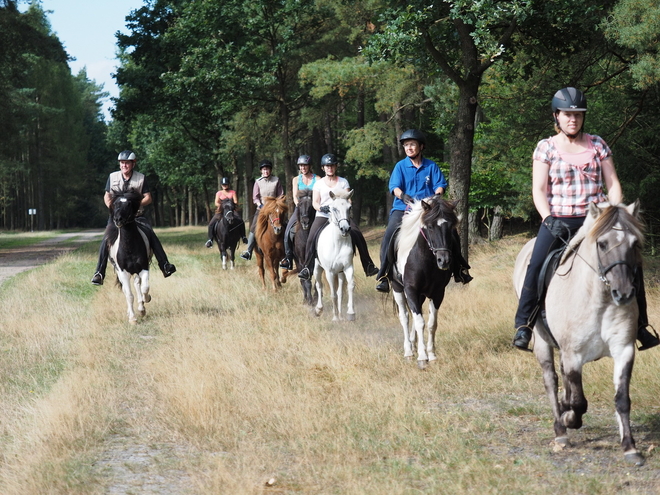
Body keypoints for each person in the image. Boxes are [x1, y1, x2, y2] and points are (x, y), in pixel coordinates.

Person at [512, 87, 660, 352]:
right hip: (559, 220)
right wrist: (547, 218)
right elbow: (539, 189)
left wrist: (614, 211)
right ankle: (524, 324)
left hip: (596, 220)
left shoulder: (598, 144)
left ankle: (640, 327)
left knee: (630, 261)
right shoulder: (545, 147)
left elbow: (613, 183)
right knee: (535, 265)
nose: (573, 119)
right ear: (556, 116)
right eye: (567, 114)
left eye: (578, 114)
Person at [375, 129, 472, 293]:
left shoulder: (431, 166)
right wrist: (403, 195)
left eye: (412, 144)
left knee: (451, 232)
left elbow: (440, 185)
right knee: (390, 234)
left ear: (421, 146)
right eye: (406, 145)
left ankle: (459, 269)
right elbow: (394, 187)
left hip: (428, 210)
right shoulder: (400, 166)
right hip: (404, 209)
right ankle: (384, 274)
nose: (409, 148)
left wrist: (437, 196)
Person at [91, 150, 176, 285]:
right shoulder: (112, 177)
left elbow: (148, 197)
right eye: (122, 163)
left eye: (127, 163)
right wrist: (111, 207)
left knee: (150, 234)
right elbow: (107, 195)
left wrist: (136, 205)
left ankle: (164, 265)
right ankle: (99, 272)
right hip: (117, 217)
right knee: (106, 239)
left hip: (136, 216)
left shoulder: (141, 178)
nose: (124, 165)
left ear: (133, 163)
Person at [297, 153, 379, 280]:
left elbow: (348, 199)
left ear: (336, 167)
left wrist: (345, 206)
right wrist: (321, 208)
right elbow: (315, 203)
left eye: (332, 166)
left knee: (357, 234)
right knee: (311, 238)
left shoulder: (343, 182)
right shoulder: (318, 184)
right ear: (323, 168)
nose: (330, 168)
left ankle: (368, 265)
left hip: (341, 215)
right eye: (327, 166)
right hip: (324, 215)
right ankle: (308, 268)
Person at [240, 159, 284, 260]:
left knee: (284, 224)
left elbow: (280, 195)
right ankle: (248, 251)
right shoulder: (258, 182)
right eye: (264, 169)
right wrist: (260, 205)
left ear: (270, 170)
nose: (266, 171)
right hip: (262, 209)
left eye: (267, 169)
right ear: (261, 171)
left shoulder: (276, 180)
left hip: (274, 209)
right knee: (254, 227)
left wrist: (278, 204)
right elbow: (255, 197)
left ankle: (287, 252)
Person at [279, 155, 317, 270]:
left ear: (309, 166)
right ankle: (288, 258)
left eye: (305, 165)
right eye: (301, 165)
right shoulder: (296, 179)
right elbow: (295, 196)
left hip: (314, 208)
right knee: (288, 231)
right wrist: (298, 205)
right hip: (300, 209)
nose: (303, 167)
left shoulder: (317, 179)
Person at [205, 177, 247, 248]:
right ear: (221, 185)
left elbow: (236, 201)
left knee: (240, 220)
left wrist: (229, 206)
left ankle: (243, 237)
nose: (225, 185)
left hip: (231, 210)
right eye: (223, 184)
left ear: (228, 184)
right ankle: (210, 239)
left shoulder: (232, 192)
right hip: (221, 210)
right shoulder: (219, 193)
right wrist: (223, 207)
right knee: (211, 223)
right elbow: (216, 202)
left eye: (226, 184)